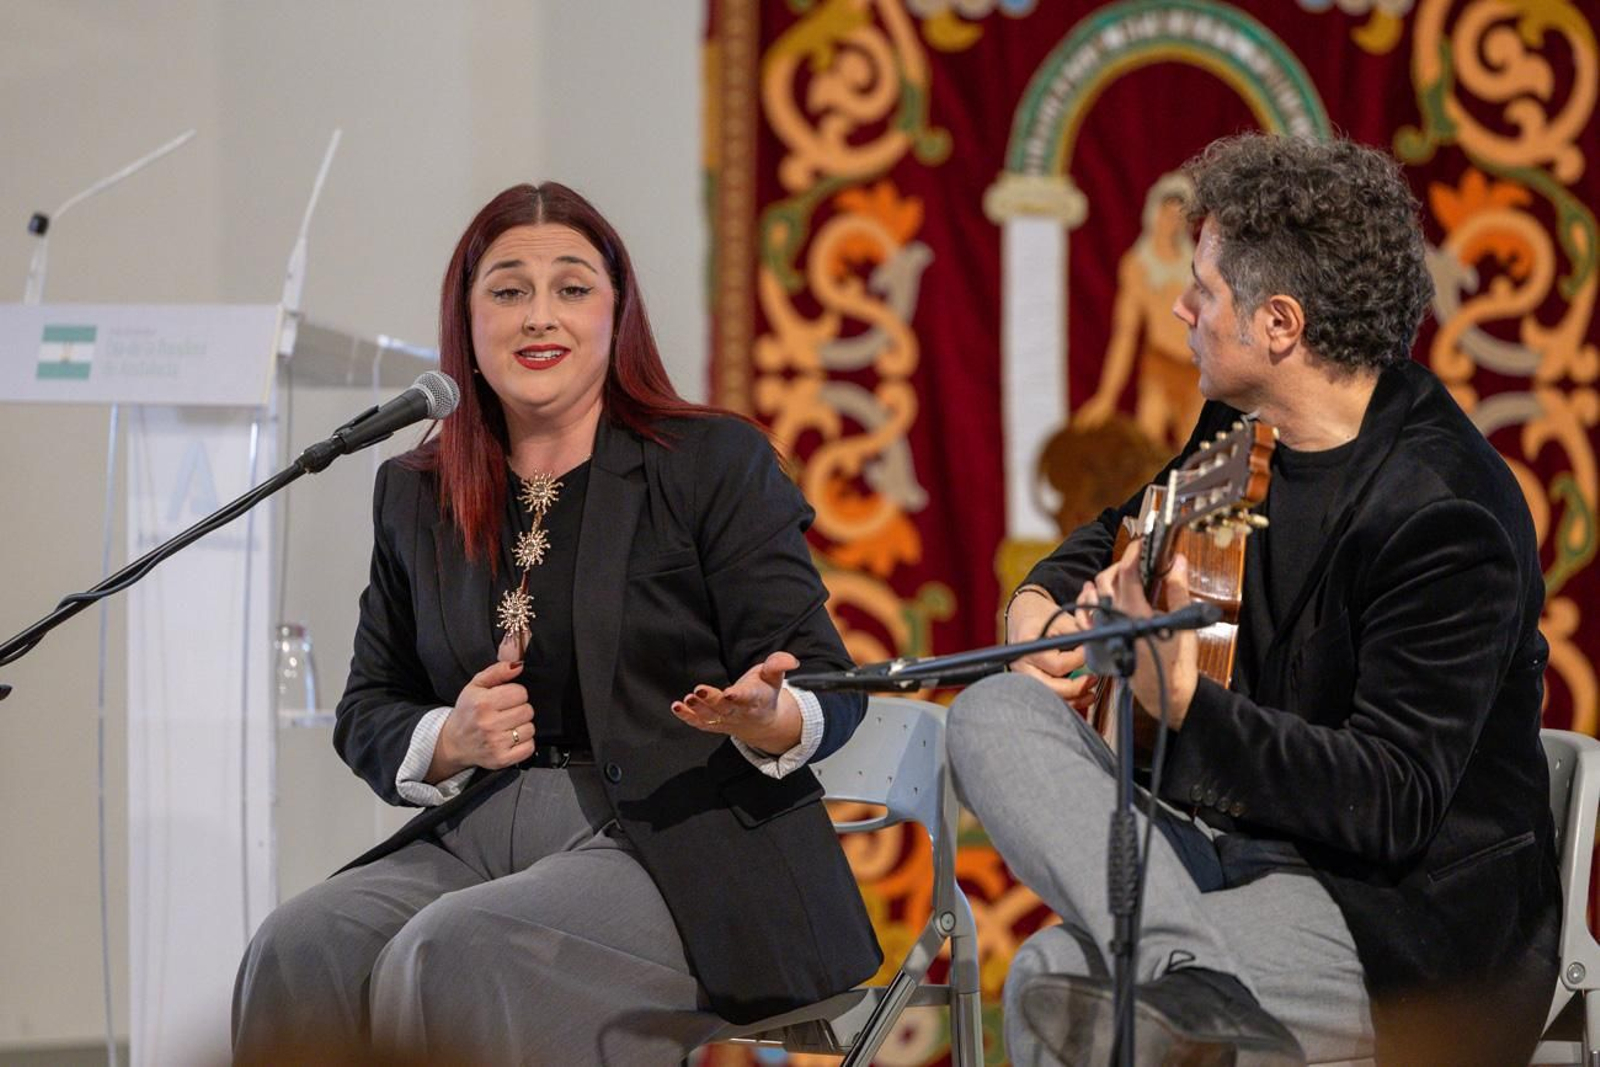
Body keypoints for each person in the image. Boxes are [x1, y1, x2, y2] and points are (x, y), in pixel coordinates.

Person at [232, 182, 881, 1065]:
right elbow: (370, 705)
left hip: (678, 840)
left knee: (456, 952)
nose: (541, 316)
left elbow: (827, 682)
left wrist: (772, 716)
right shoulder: (414, 492)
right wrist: (448, 737)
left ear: (618, 314)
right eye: (508, 290)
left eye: (572, 288)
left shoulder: (708, 463)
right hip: (478, 835)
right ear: (468, 319)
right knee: (297, 945)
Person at [948, 133, 1558, 1065]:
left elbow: (1391, 801)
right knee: (990, 710)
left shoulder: (1446, 513)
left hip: (1391, 917)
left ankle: (1189, 987)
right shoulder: (1245, 423)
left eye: (1204, 289)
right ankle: (1189, 971)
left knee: (1052, 988)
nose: (1180, 308)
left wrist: (1187, 704)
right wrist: (1040, 602)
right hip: (1223, 845)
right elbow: (1126, 520)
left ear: (1279, 324)